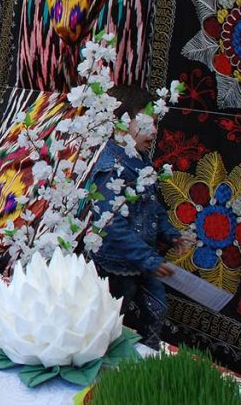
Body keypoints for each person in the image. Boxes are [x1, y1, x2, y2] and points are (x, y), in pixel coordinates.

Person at [89, 85, 190, 349]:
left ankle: (147, 353)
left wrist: (171, 234)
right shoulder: (111, 167)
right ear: (121, 123)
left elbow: (152, 206)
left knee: (156, 308)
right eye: (148, 123)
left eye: (156, 123)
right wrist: (148, 259)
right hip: (116, 264)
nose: (154, 131)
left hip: (144, 260)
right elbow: (109, 223)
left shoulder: (141, 160)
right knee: (111, 318)